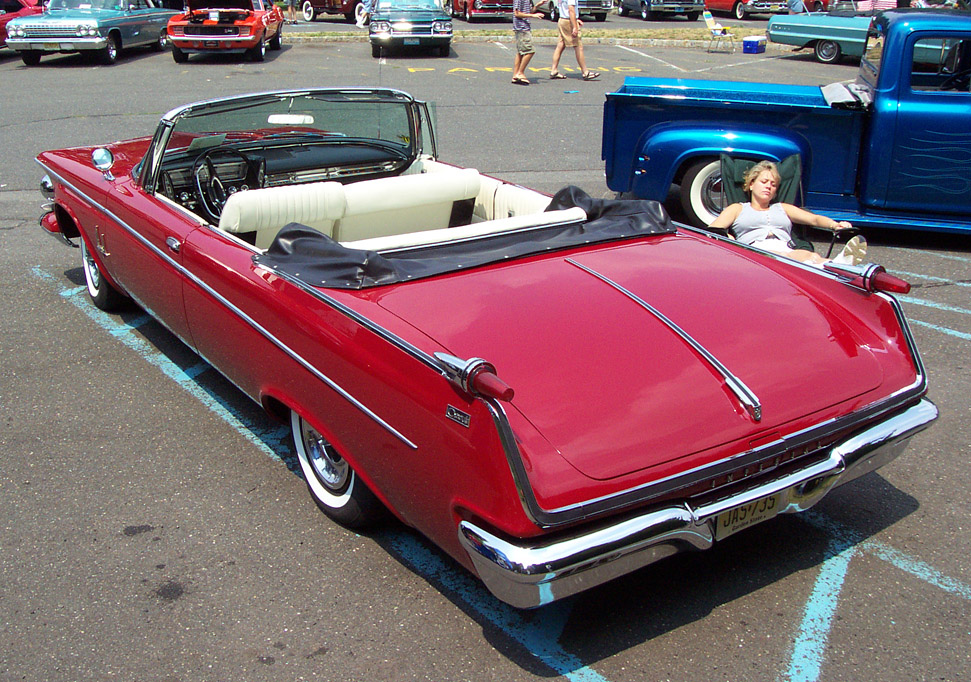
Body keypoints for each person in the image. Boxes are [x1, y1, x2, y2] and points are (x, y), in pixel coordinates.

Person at [708, 160, 867, 266]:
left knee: (809, 256)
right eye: (764, 182)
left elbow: (814, 219)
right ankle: (836, 267)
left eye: (773, 184)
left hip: (786, 249)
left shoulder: (782, 208)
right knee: (792, 258)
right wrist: (729, 239)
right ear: (751, 184)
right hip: (753, 252)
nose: (768, 186)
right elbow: (713, 230)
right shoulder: (738, 208)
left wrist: (835, 225)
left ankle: (836, 265)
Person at [549, 0, 599, 81]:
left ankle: (554, 70)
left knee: (561, 44)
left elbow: (564, 8)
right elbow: (571, 10)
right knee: (578, 46)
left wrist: (576, 20)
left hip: (562, 19)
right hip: (568, 22)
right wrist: (574, 26)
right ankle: (585, 72)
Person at [511, 0, 544, 85]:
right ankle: (520, 73)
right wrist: (533, 15)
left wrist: (537, 6)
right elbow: (517, 13)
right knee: (530, 51)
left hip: (523, 27)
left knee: (520, 53)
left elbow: (526, 13)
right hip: (522, 28)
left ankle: (515, 75)